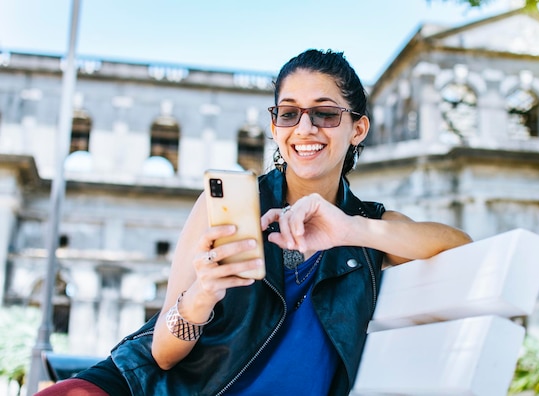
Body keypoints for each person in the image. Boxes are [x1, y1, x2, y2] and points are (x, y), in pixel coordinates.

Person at [35, 49, 471, 396]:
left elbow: (463, 249)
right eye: (289, 112)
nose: (306, 127)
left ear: (357, 128)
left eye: (325, 113)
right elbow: (164, 356)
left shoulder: (373, 228)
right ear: (274, 125)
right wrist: (201, 295)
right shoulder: (224, 204)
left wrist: (349, 229)